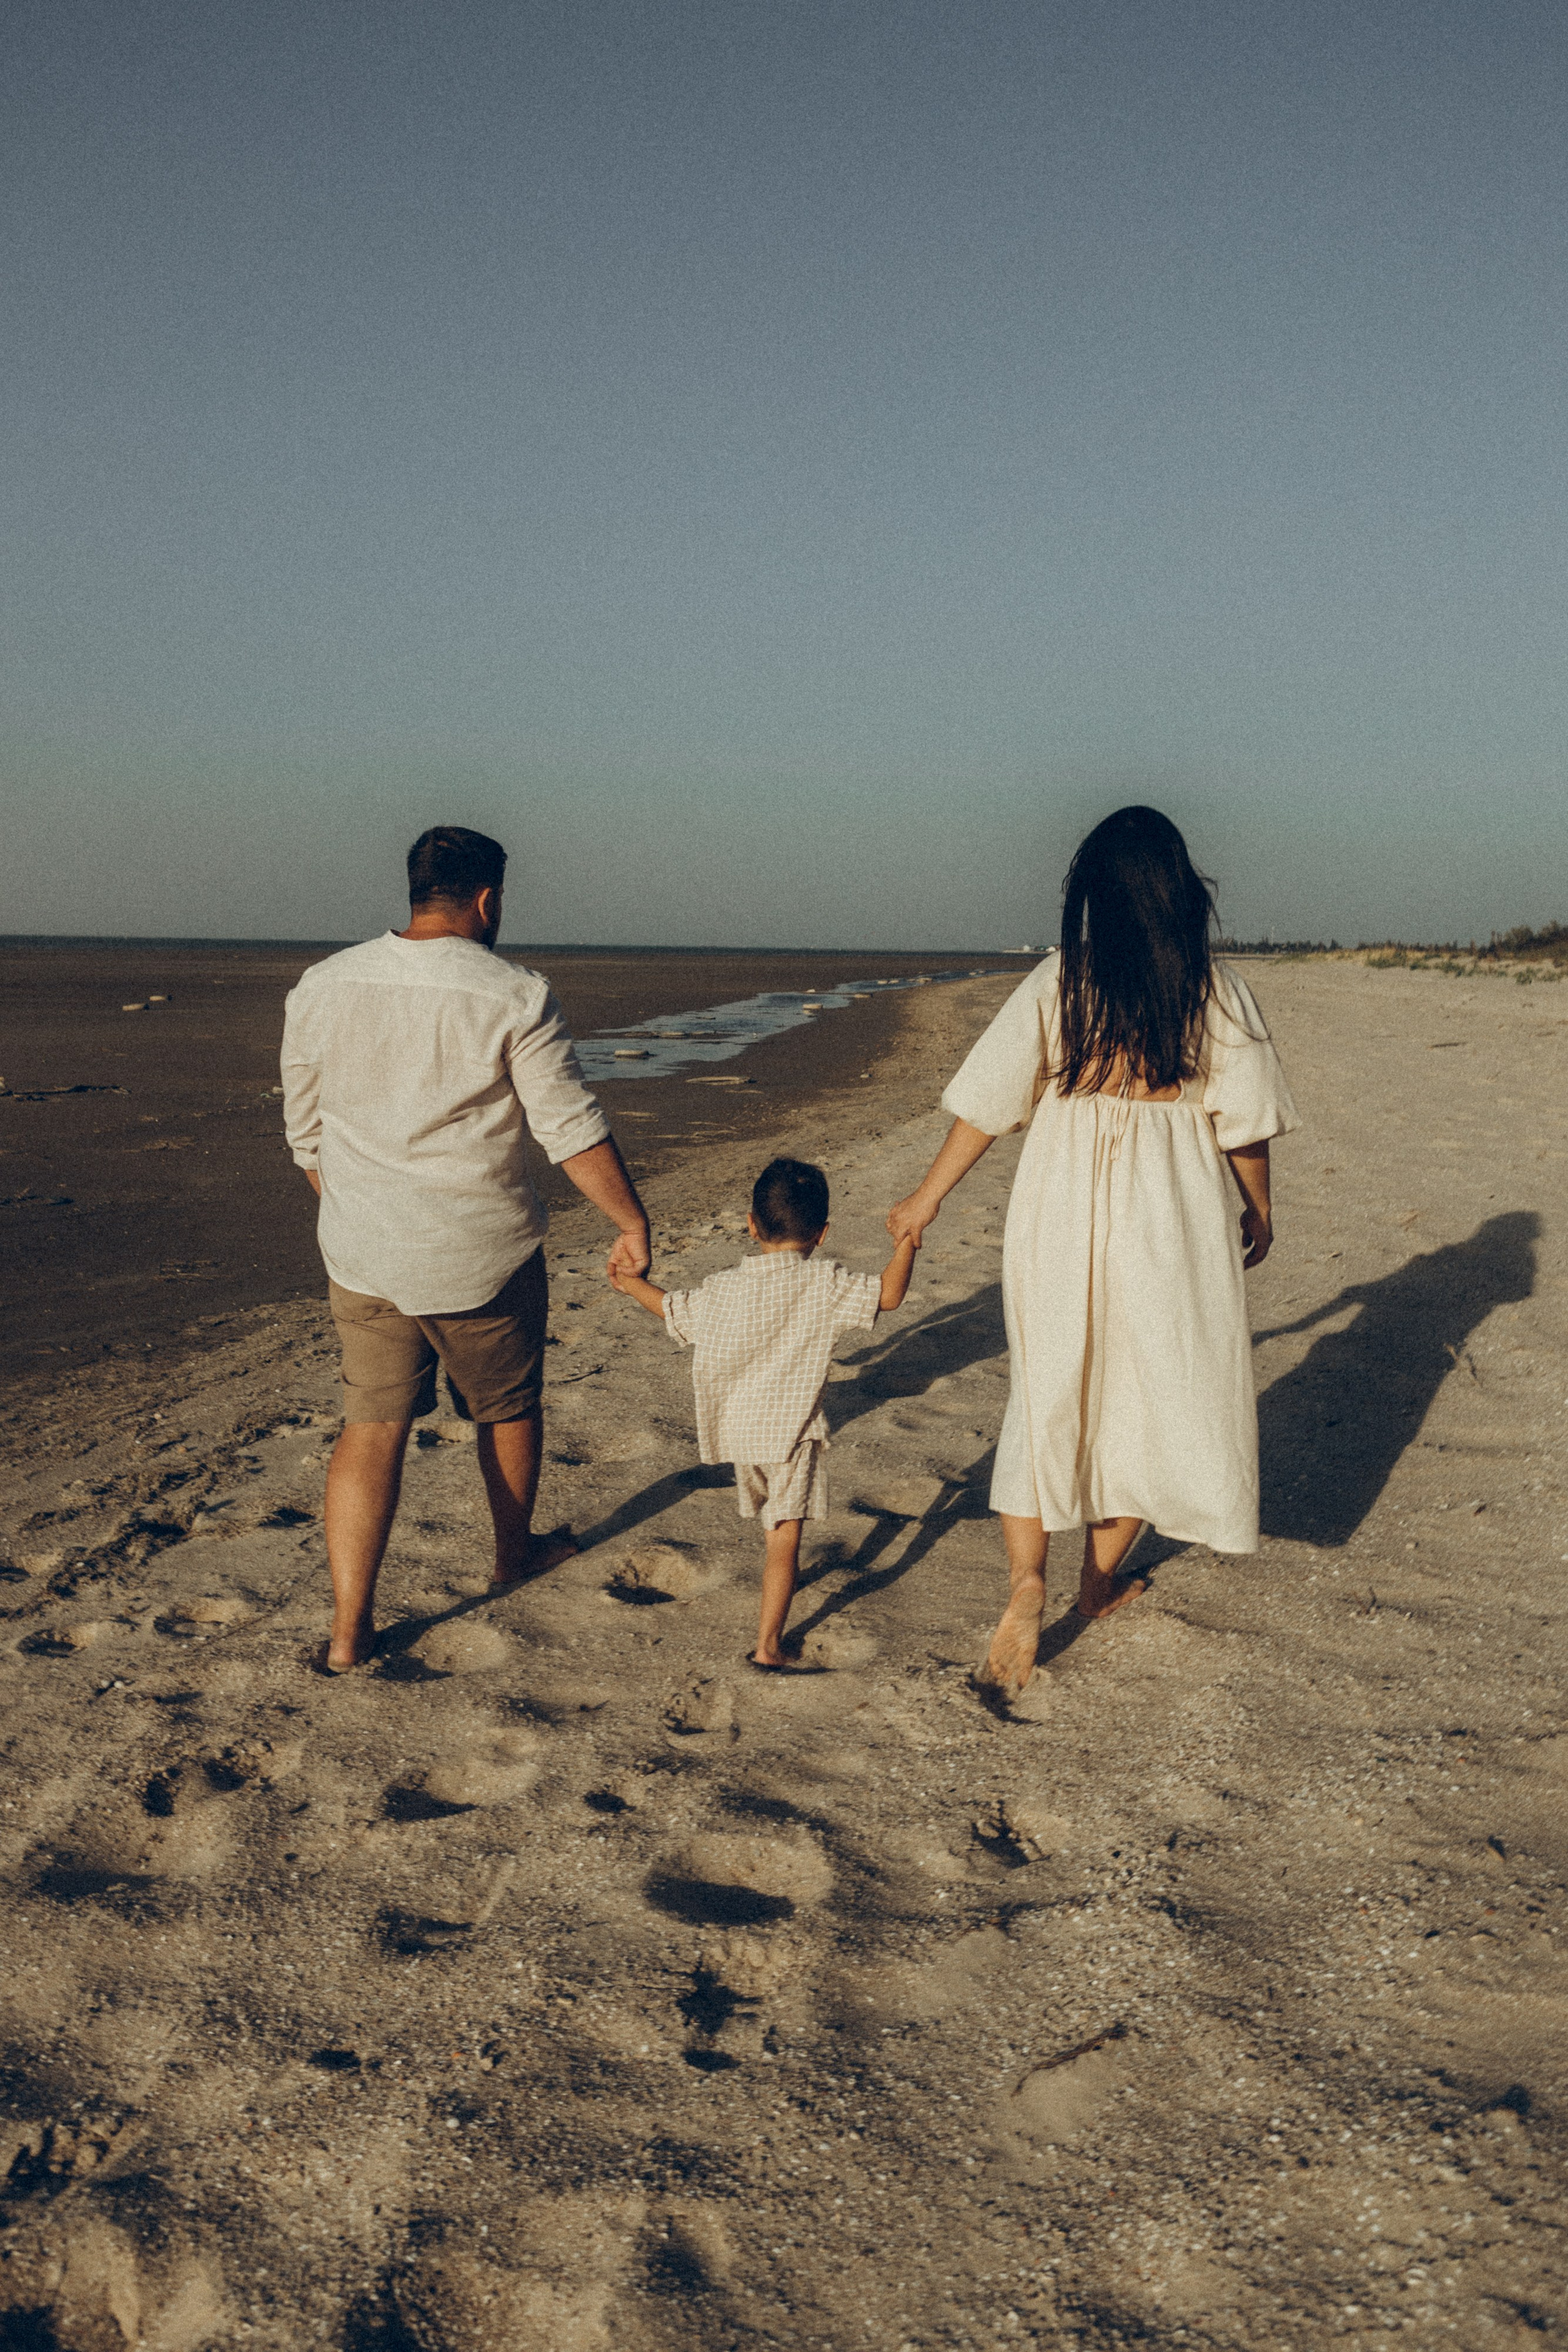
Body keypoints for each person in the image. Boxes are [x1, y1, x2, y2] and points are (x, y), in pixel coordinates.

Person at [887, 805, 1299, 1702]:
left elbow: (989, 1106)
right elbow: (1246, 1123)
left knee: (1048, 1388)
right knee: (1155, 1392)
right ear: (1178, 891)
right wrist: (1259, 1212)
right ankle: (1096, 1581)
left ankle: (1027, 1580)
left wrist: (926, 1198)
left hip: (1060, 1197)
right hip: (1173, 1206)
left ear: (1095, 897)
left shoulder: (1061, 982)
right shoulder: (1212, 989)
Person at [281, 824, 651, 1672]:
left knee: (370, 1428)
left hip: (363, 1254)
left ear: (415, 891)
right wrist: (630, 1223)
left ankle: (348, 1632)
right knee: (509, 1406)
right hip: (480, 1252)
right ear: (488, 899)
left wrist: (369, 1214)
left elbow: (306, 1139)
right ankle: (511, 1555)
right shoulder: (514, 993)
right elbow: (569, 1129)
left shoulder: (323, 985)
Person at [610, 1156, 917, 1670]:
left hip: (737, 1431)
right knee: (783, 1538)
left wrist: (628, 1283)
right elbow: (888, 1295)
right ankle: (769, 1645)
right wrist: (906, 1241)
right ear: (822, 1233)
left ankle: (777, 1606)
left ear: (751, 1225)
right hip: (791, 1434)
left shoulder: (724, 1288)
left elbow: (672, 1310)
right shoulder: (826, 1284)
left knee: (772, 1527)